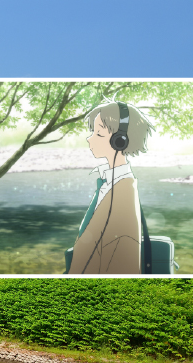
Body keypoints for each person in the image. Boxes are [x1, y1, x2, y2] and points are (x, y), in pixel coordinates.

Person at [69, 101, 154, 274]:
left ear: (120, 141)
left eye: (99, 134)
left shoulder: (123, 192)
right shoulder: (108, 184)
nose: (89, 138)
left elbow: (123, 260)